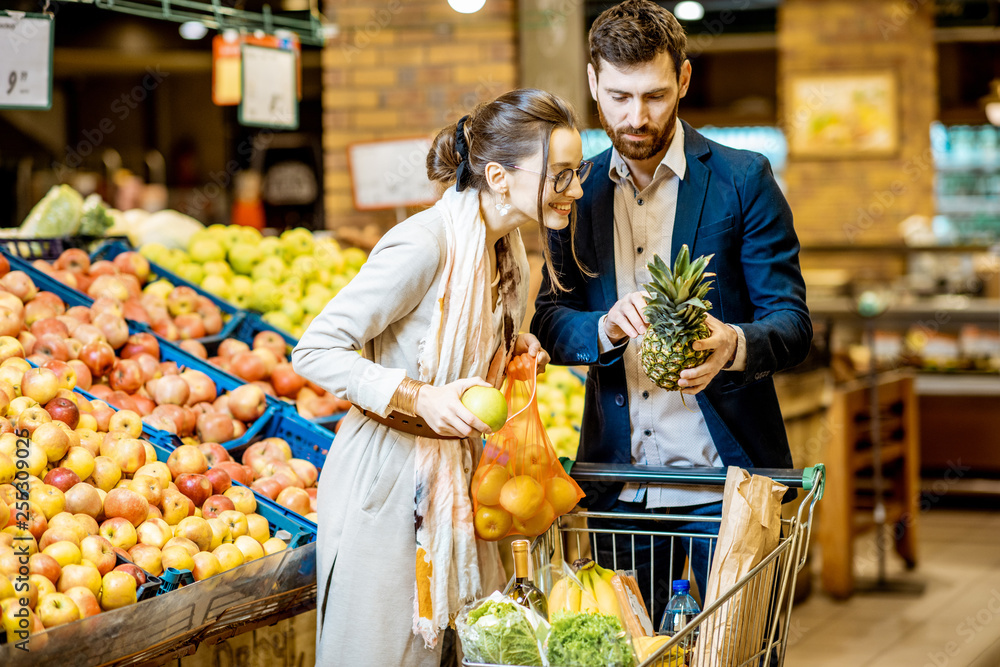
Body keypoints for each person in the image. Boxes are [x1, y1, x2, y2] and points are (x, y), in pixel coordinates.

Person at [530, 0, 812, 625]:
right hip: (619, 483)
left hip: (727, 484)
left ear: (683, 80)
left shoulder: (745, 180)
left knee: (732, 650)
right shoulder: (576, 192)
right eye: (620, 96)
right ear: (593, 82)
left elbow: (793, 325)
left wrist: (733, 343)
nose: (637, 117)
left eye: (656, 95)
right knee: (625, 652)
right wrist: (600, 328)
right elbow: (549, 316)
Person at [291, 88, 592, 667]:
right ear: (499, 176)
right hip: (387, 483)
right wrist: (416, 396)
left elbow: (462, 347)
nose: (575, 190)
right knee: (385, 653)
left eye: (575, 174)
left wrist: (511, 349)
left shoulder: (508, 254)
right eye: (559, 176)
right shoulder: (423, 244)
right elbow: (315, 348)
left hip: (457, 474)